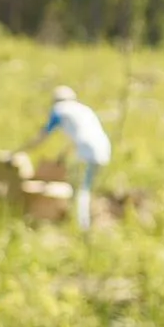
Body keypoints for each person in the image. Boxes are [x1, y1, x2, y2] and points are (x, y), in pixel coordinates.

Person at [17, 83, 111, 230]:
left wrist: (23, 149)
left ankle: (82, 226)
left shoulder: (59, 110)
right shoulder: (84, 110)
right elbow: (79, 135)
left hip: (86, 151)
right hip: (103, 147)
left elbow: (44, 134)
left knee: (79, 189)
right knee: (87, 185)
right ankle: (85, 221)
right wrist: (62, 155)